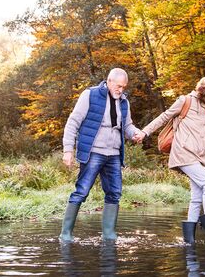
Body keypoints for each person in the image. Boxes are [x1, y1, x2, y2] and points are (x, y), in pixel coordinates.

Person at [133, 74, 205, 244]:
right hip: (183, 154)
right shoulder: (185, 101)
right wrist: (144, 132)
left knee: (196, 196)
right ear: (204, 91)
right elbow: (164, 117)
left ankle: (189, 241)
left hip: (201, 157)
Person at [60, 67, 146, 242]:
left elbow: (127, 126)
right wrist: (68, 149)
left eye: (124, 87)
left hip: (114, 154)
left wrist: (135, 133)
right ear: (109, 81)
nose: (120, 90)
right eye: (118, 86)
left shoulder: (124, 102)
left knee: (114, 193)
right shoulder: (90, 95)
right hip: (93, 152)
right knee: (82, 191)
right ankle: (66, 234)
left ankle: (108, 235)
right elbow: (73, 122)